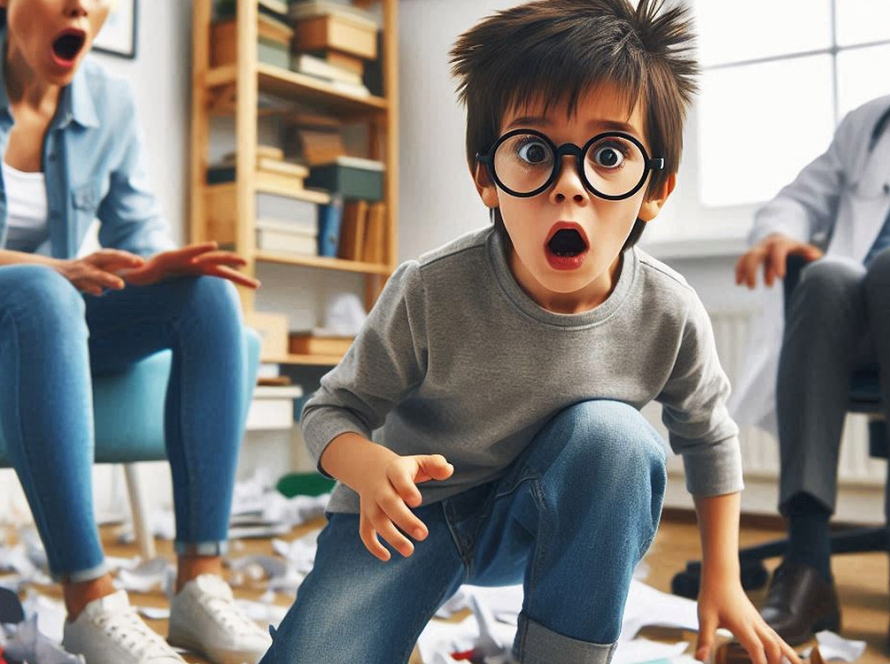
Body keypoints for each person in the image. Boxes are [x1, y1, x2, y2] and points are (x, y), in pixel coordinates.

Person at [258, 2, 803, 663]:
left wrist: (724, 577)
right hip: (403, 521)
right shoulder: (430, 289)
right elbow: (331, 408)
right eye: (534, 151)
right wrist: (367, 466)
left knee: (619, 439)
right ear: (487, 176)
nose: (569, 186)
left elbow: (709, 435)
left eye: (608, 154)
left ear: (655, 188)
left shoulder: (669, 310)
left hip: (533, 518)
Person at [0, 1, 273, 663]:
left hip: (48, 317)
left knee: (205, 291)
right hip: (33, 301)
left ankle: (198, 584)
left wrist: (158, 265)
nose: (82, 8)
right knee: (45, 289)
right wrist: (54, 268)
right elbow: (52, 278)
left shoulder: (108, 102)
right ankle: (90, 600)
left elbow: (137, 231)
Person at [733, 93, 890, 645]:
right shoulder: (872, 124)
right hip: (859, 319)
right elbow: (796, 200)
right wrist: (779, 234)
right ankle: (808, 565)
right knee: (825, 279)